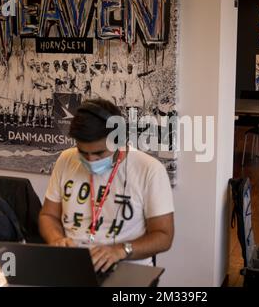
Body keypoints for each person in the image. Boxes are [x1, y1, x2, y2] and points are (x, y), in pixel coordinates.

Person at [39, 99, 174, 272]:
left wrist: (121, 250)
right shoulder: (66, 159)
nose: (91, 160)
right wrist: (56, 239)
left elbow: (164, 236)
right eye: (82, 152)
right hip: (73, 266)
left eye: (99, 153)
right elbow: (48, 216)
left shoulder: (149, 170)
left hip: (126, 269)